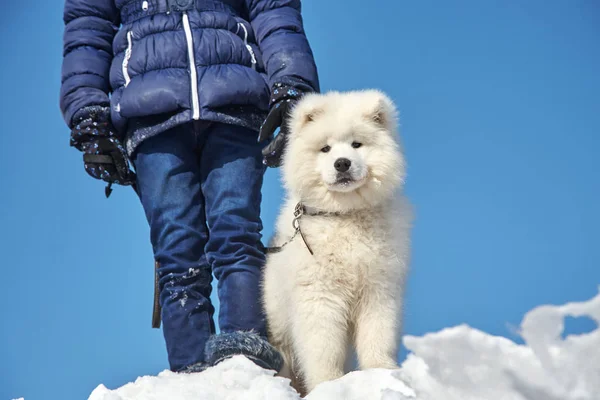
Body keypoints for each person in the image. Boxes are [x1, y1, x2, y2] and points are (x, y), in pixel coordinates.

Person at [60, 0, 319, 373]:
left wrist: (292, 83)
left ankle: (247, 365)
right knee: (176, 249)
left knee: (236, 234)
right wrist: (87, 114)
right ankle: (192, 373)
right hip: (150, 114)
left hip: (236, 103)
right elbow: (87, 33)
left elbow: (274, 12)